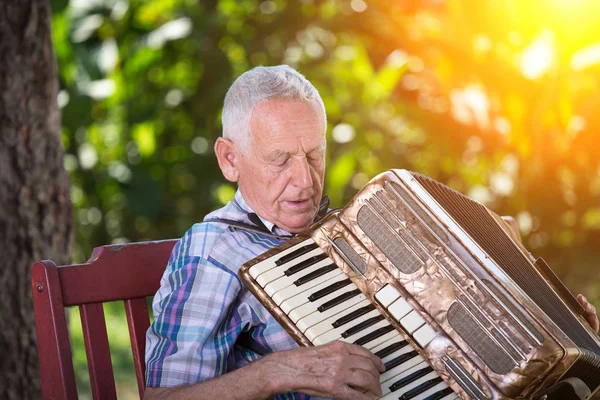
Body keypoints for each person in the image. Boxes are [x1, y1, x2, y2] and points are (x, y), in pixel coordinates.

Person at [144, 65, 599, 400]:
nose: (304, 181)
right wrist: (275, 371)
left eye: (314, 155)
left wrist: (550, 334)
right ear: (229, 159)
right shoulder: (215, 249)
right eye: (280, 160)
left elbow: (446, 347)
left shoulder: (358, 231)